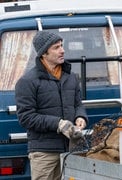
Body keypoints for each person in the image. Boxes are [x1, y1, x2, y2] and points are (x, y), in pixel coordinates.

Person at [15, 31, 88, 180]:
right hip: (44, 153)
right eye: (56, 47)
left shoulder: (71, 77)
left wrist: (81, 117)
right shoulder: (27, 81)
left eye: (61, 46)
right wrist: (58, 124)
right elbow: (26, 117)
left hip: (71, 150)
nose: (62, 50)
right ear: (44, 53)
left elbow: (77, 104)